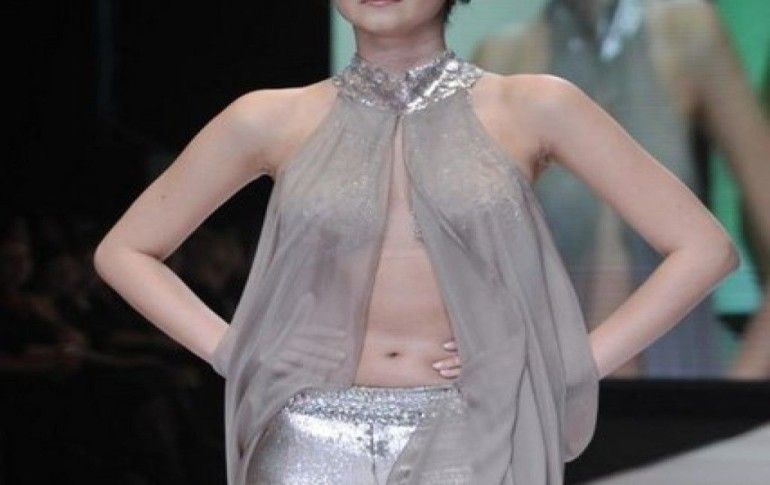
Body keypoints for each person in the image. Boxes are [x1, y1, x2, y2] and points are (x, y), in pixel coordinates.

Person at [93, 0, 740, 483]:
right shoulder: (269, 117)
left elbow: (702, 248)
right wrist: (238, 350)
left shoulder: (533, 106)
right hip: (308, 435)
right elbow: (126, 251)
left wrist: (564, 363)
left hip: (471, 430)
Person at [472, 0, 770, 379]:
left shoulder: (687, 32)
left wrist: (736, 393)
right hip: (552, 389)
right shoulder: (503, 58)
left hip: (680, 383)